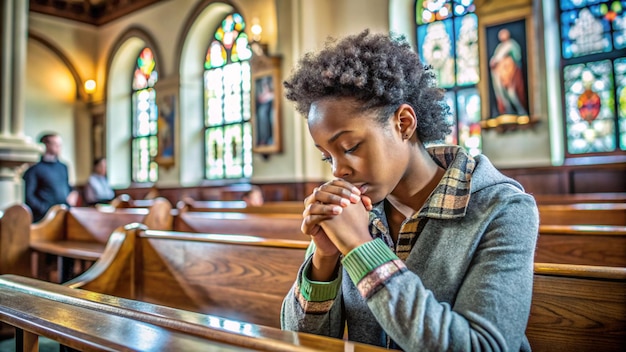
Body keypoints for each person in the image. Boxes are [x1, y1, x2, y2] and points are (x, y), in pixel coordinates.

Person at [280, 30, 539, 351]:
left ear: (403, 123)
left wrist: (361, 248)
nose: (337, 171)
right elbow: (300, 340)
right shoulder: (357, 205)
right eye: (326, 156)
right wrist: (324, 257)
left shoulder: (503, 208)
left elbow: (484, 346)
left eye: (350, 146)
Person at [23, 132, 78, 222]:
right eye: (55, 144)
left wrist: (73, 193)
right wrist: (44, 209)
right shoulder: (34, 169)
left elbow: (67, 186)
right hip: (43, 217)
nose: (59, 147)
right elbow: (29, 196)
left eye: (60, 144)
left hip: (63, 213)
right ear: (45, 145)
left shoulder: (63, 167)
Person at [489, 28, 528, 116]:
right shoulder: (500, 47)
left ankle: (520, 109)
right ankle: (508, 109)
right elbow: (495, 59)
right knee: (502, 92)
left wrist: (506, 60)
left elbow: (517, 57)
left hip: (510, 72)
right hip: (501, 74)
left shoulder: (512, 44)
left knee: (512, 91)